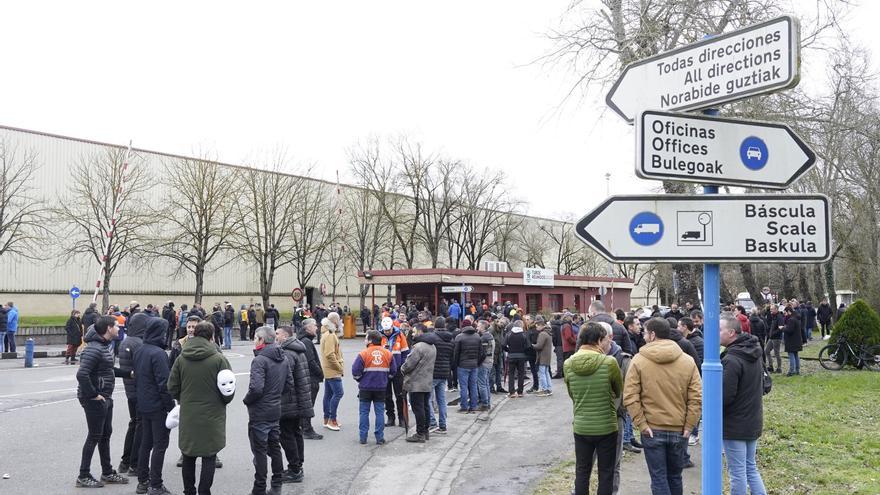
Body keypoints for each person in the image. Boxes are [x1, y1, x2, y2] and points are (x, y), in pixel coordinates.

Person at [623, 318, 702, 495]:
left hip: (652, 427)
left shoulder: (638, 361)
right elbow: (696, 397)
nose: (643, 336)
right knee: (675, 477)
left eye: (644, 332)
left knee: (658, 478)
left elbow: (630, 396)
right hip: (680, 428)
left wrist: (641, 423)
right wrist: (690, 425)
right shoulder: (688, 361)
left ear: (652, 335)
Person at [168, 321, 235, 495]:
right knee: (209, 455)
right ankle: (204, 491)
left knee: (188, 454)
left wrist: (182, 400)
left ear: (194, 334)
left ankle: (188, 491)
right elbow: (228, 389)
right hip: (213, 414)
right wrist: (223, 401)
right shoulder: (219, 359)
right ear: (212, 336)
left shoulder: (182, 358)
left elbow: (172, 386)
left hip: (189, 413)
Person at [564, 322, 622, 495]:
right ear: (598, 340)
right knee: (606, 472)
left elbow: (572, 394)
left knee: (582, 471)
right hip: (606, 426)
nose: (608, 343)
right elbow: (618, 391)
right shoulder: (609, 362)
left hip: (581, 425)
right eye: (605, 339)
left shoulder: (568, 364)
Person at [75, 315, 132, 488]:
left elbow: (108, 368)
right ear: (108, 328)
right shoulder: (94, 348)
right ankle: (83, 475)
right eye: (116, 325)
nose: (119, 328)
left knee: (105, 435)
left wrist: (128, 374)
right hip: (95, 399)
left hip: (105, 397)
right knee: (94, 436)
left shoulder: (102, 346)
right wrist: (93, 395)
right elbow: (82, 374)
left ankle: (107, 472)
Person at [719, 315, 768, 495]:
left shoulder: (732, 360)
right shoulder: (753, 351)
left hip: (735, 424)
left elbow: (725, 395)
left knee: (738, 472)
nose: (716, 334)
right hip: (753, 419)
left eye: (719, 330)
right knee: (750, 467)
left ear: (731, 333)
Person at [244, 326, 293, 495]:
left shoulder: (260, 360)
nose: (254, 341)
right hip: (275, 409)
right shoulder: (283, 358)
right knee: (274, 447)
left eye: (255, 338)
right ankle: (277, 483)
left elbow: (256, 389)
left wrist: (247, 400)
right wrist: (275, 397)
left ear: (262, 340)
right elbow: (289, 385)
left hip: (260, 412)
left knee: (260, 451)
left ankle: (259, 487)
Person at [134, 317, 175, 495]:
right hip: (158, 406)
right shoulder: (158, 353)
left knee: (146, 443)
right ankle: (156, 484)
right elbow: (164, 384)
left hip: (143, 403)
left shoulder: (140, 350)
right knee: (160, 444)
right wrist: (170, 406)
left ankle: (143, 480)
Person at [276, 326, 314, 484]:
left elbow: (285, 380)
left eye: (278, 334)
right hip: (299, 401)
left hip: (289, 402)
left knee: (287, 435)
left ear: (285, 336)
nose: (275, 336)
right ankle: (298, 465)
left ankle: (294, 469)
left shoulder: (288, 353)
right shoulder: (297, 349)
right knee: (295, 433)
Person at [117, 312, 149, 477]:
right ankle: (134, 463)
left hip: (130, 391)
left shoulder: (125, 342)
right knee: (140, 427)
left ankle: (125, 461)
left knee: (133, 424)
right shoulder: (139, 344)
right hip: (139, 391)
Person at [352, 330, 397, 445]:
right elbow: (393, 371)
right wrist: (386, 379)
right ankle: (379, 437)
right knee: (380, 412)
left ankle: (363, 437)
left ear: (370, 340)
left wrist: (360, 379)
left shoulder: (363, 354)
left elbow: (355, 371)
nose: (365, 340)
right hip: (381, 388)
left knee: (364, 412)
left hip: (365, 388)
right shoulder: (388, 353)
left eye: (366, 338)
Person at [400, 323, 437, 442]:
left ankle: (420, 433)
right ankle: (425, 431)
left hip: (416, 383)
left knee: (418, 408)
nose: (412, 333)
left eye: (414, 331)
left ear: (420, 332)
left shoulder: (418, 347)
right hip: (427, 381)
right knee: (425, 407)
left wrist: (402, 369)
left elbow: (409, 365)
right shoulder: (432, 346)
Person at [296, 318, 324, 440]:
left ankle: (302, 427)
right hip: (310, 378)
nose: (317, 327)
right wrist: (320, 373)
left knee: (305, 403)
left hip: (306, 377)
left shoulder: (303, 340)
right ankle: (307, 429)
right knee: (308, 404)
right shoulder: (306, 341)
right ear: (307, 328)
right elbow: (310, 361)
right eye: (314, 325)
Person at [380, 316, 410, 426]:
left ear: (392, 327)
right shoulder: (380, 336)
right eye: (385, 330)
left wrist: (401, 366)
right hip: (385, 371)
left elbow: (405, 353)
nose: (387, 332)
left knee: (400, 395)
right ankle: (390, 417)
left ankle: (402, 418)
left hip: (397, 370)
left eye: (389, 330)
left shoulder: (400, 336)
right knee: (386, 396)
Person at [426, 319, 454, 433]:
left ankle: (432, 422)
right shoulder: (451, 339)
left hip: (433, 372)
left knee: (428, 399)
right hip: (444, 372)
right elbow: (452, 357)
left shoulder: (432, 338)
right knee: (441, 400)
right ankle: (443, 425)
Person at [320, 314, 345, 431]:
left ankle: (327, 418)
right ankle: (332, 419)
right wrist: (339, 367)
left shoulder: (327, 333)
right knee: (339, 393)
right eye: (339, 319)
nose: (340, 321)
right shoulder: (330, 334)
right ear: (335, 321)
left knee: (329, 395)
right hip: (333, 370)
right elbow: (330, 354)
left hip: (328, 369)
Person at [453, 321, 483, 411]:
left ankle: (464, 407)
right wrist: (477, 363)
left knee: (463, 387)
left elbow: (456, 353)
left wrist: (456, 364)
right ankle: (473, 406)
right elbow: (481, 352)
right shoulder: (477, 336)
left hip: (462, 365)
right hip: (474, 365)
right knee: (473, 386)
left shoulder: (459, 337)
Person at [502, 320, 531, 398]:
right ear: (521, 326)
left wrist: (509, 350)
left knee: (511, 374)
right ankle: (520, 392)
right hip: (521, 357)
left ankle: (512, 392)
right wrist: (524, 353)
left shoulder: (509, 334)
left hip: (511, 356)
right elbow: (528, 347)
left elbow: (503, 345)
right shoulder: (524, 335)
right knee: (521, 374)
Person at [476, 320, 496, 409]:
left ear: (483, 327)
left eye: (478, 326)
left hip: (484, 363)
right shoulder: (490, 336)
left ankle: (484, 403)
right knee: (486, 382)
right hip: (490, 361)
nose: (477, 328)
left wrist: (478, 363)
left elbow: (483, 353)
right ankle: (487, 401)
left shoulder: (484, 338)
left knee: (482, 384)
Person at [533, 317, 554, 396]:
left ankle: (544, 389)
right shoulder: (548, 333)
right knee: (546, 373)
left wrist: (532, 345)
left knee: (542, 373)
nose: (536, 327)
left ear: (541, 325)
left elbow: (539, 346)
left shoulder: (542, 334)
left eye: (537, 326)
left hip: (542, 356)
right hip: (547, 356)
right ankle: (549, 389)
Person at [783, 306, 805, 376]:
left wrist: (783, 328)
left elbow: (790, 330)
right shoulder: (796, 318)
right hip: (797, 340)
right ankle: (797, 370)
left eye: (785, 313)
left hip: (791, 341)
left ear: (789, 312)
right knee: (796, 355)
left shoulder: (791, 320)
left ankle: (791, 371)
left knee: (791, 355)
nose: (785, 314)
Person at [765, 304, 784, 374]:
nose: (770, 311)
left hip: (776, 338)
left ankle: (779, 368)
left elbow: (780, 328)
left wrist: (773, 333)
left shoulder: (779, 317)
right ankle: (771, 366)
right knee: (766, 351)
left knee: (777, 353)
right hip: (771, 337)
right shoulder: (774, 316)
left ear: (776, 309)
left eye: (772, 309)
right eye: (770, 309)